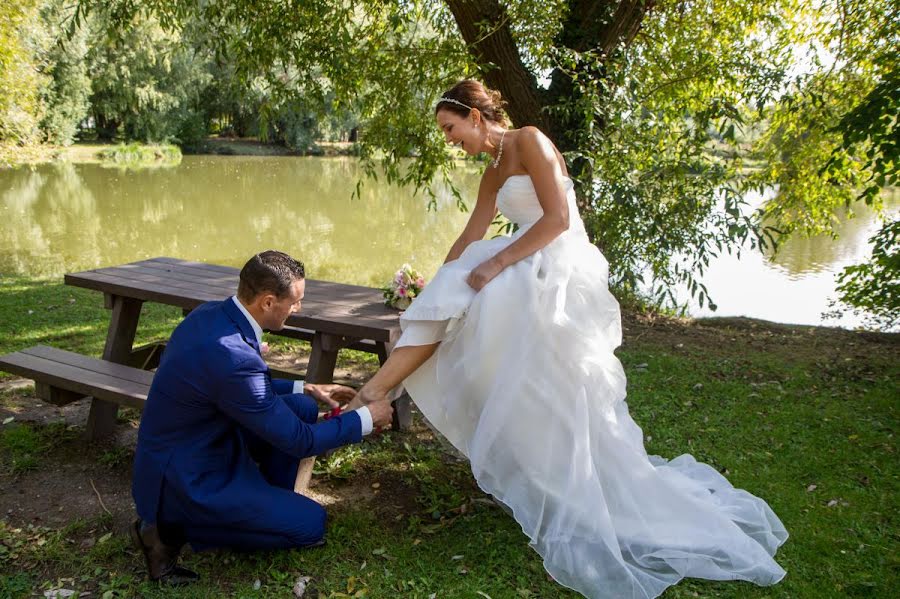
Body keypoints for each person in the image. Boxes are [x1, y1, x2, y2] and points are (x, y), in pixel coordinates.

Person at [347, 80, 788, 599]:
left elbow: (557, 219)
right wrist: (432, 287)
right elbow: (472, 232)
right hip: (522, 257)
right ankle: (393, 395)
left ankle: (378, 392)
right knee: (461, 308)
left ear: (474, 115)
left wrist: (497, 262)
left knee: (493, 308)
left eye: (451, 128)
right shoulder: (490, 172)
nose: (450, 140)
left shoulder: (529, 140)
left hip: (555, 259)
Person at [131, 250, 393, 584]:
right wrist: (366, 418)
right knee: (310, 525)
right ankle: (167, 531)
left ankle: (260, 504)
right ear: (268, 302)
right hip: (190, 477)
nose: (299, 308)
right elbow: (301, 441)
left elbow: (237, 386)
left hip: (194, 445)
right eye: (295, 301)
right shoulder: (233, 356)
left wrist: (306, 386)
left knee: (303, 407)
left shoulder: (211, 314)